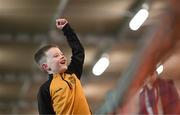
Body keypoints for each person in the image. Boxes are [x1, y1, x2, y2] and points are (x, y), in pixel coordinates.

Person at [34, 18, 91, 114]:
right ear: (46, 66)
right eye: (56, 56)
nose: (62, 56)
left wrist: (66, 29)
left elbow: (78, 51)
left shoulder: (73, 73)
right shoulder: (45, 89)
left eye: (62, 54)